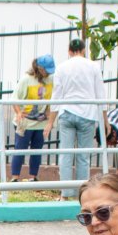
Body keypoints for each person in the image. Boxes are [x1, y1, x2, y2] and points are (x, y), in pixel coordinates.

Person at [46, 38, 107, 198]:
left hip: (66, 112)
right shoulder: (93, 66)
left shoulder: (62, 67)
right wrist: (105, 120)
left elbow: (56, 95)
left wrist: (51, 121)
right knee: (83, 156)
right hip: (87, 113)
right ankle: (83, 194)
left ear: (69, 51)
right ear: (83, 50)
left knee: (65, 155)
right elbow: (100, 93)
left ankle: (65, 193)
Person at [10, 54, 56, 182]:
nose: (48, 73)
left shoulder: (51, 80)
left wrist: (48, 113)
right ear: (40, 68)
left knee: (37, 150)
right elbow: (15, 98)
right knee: (20, 149)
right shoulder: (27, 79)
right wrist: (18, 112)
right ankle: (15, 177)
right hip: (26, 121)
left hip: (41, 122)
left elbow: (53, 99)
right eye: (46, 70)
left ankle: (33, 176)